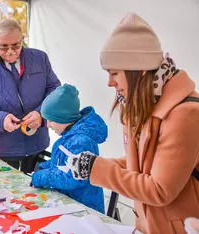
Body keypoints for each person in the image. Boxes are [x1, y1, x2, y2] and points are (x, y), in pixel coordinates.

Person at [65, 13, 199, 234]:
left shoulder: (185, 114)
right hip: (151, 225)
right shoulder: (145, 103)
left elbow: (158, 189)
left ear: (140, 69)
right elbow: (145, 162)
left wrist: (97, 169)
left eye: (114, 73)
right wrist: (95, 164)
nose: (110, 82)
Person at [0, 19, 61, 173]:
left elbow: (55, 90)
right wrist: (0, 119)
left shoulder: (40, 59)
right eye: (4, 47)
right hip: (3, 146)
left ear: (22, 40)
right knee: (6, 193)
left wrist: (40, 114)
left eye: (15, 46)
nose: (10, 51)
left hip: (36, 142)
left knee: (36, 192)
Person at [31, 84, 107, 213]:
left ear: (63, 118)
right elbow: (63, 163)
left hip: (84, 209)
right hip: (70, 203)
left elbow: (73, 178)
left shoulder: (81, 142)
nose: (48, 125)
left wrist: (42, 177)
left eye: (51, 120)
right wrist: (46, 167)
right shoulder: (69, 137)